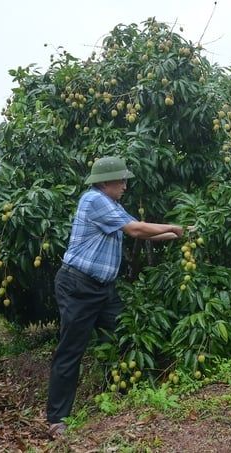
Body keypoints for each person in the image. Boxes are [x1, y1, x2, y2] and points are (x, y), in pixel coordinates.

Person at [46, 156, 184, 437]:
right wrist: (172, 226)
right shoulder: (93, 200)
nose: (124, 185)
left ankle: (125, 390)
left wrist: (177, 234)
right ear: (105, 182)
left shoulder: (112, 206)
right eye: (121, 180)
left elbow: (141, 233)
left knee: (126, 332)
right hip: (78, 287)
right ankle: (57, 419)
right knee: (71, 349)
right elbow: (136, 229)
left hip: (102, 290)